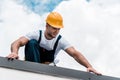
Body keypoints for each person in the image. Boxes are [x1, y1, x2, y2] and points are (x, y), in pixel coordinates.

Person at [7, 12, 101, 75]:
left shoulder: (60, 40)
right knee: (31, 43)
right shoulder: (36, 34)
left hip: (46, 68)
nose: (56, 31)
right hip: (32, 65)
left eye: (58, 29)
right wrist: (15, 52)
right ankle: (34, 68)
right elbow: (17, 42)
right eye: (54, 28)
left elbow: (75, 54)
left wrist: (89, 66)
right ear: (47, 25)